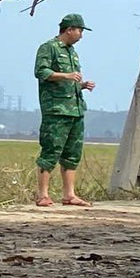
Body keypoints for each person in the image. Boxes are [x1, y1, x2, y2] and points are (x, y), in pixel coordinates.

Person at [33, 14, 96, 208]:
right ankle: (42, 195)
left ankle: (69, 194)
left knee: (72, 153)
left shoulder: (72, 52)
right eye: (80, 30)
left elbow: (70, 82)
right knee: (51, 150)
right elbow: (41, 72)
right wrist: (66, 75)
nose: (81, 35)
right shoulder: (49, 48)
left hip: (75, 110)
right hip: (56, 110)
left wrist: (82, 85)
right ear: (69, 29)